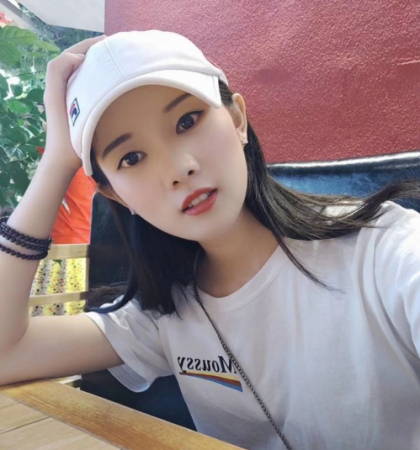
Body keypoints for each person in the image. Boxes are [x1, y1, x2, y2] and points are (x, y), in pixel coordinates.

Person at [0, 31, 419, 450]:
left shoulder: (385, 250)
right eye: (131, 158)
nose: (178, 169)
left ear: (237, 119)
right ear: (116, 195)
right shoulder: (162, 315)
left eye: (187, 121)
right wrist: (57, 160)